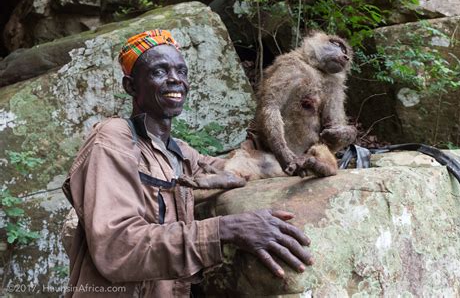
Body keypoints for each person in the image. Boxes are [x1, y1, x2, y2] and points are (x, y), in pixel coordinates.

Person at [62, 29, 313, 297]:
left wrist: (306, 161)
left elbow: (244, 169)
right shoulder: (114, 138)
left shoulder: (181, 153)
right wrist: (226, 229)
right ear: (131, 86)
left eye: (181, 72)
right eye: (159, 71)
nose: (175, 80)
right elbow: (117, 246)